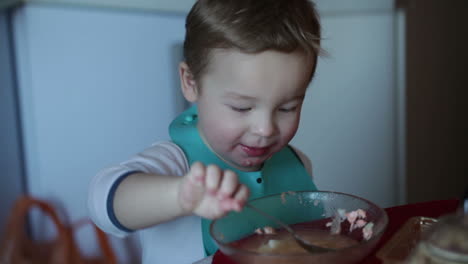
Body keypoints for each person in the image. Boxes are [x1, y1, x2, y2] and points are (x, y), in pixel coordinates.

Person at [88, 0, 323, 263]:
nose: (265, 129)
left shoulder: (299, 165)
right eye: (242, 107)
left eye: (287, 108)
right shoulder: (177, 164)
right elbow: (104, 201)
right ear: (191, 82)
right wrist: (180, 195)